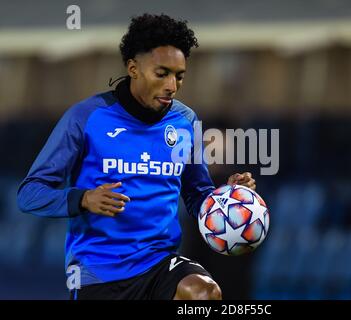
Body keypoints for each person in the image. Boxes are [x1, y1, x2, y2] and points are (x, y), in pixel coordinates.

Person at [17, 13, 256, 300]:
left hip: (159, 264)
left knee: (203, 293)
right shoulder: (87, 118)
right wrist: (83, 198)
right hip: (98, 272)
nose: (172, 85)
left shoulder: (184, 121)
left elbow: (197, 195)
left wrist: (225, 198)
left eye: (179, 76)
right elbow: (29, 193)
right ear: (133, 68)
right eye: (162, 73)